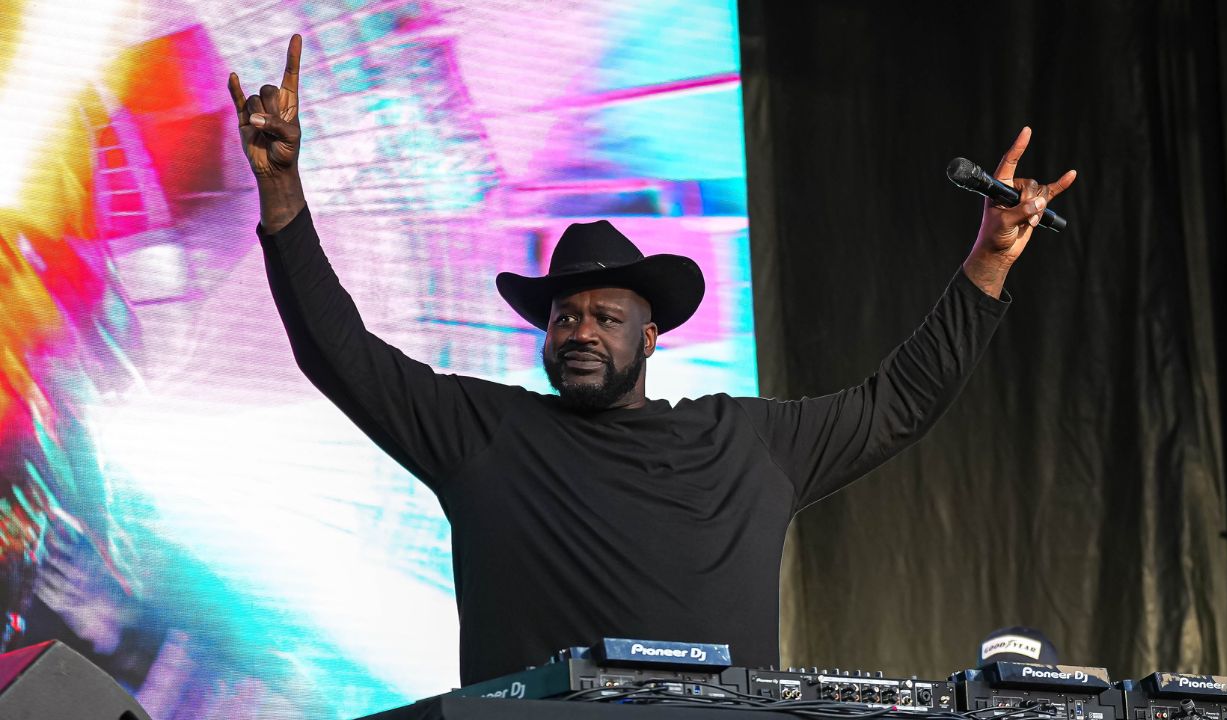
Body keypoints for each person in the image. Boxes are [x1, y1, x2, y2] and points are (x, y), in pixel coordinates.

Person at [227, 36, 1076, 686]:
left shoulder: (746, 442)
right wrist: (282, 192)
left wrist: (991, 260)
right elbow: (339, 355)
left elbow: (898, 403)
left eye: (603, 315)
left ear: (652, 336)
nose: (580, 330)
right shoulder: (484, 432)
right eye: (564, 316)